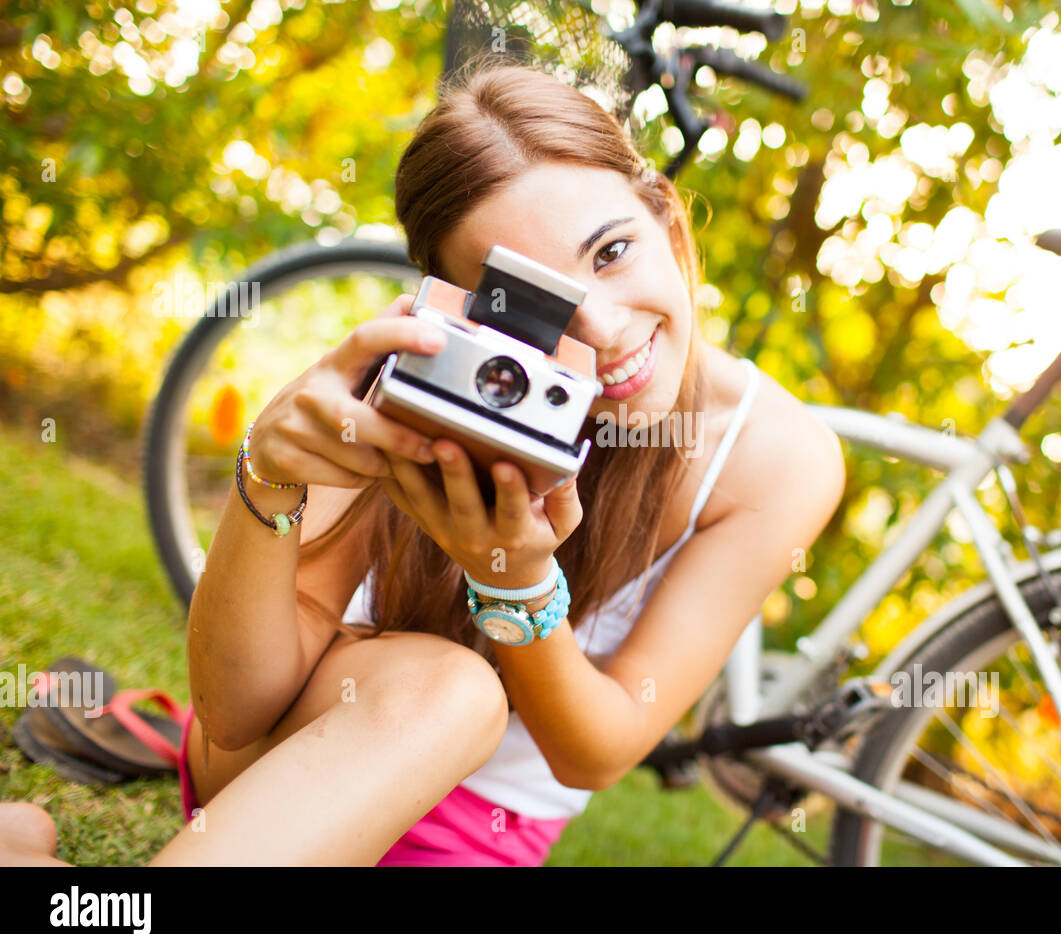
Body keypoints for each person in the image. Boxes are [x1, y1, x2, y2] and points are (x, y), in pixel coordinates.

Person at [0, 59, 844, 867]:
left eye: (612, 251)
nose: (604, 331)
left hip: (481, 834)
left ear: (665, 214)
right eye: (532, 306)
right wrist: (267, 479)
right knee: (457, 689)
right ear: (457, 312)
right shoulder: (412, 370)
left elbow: (601, 750)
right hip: (306, 751)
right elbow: (234, 710)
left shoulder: (775, 457)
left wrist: (514, 583)